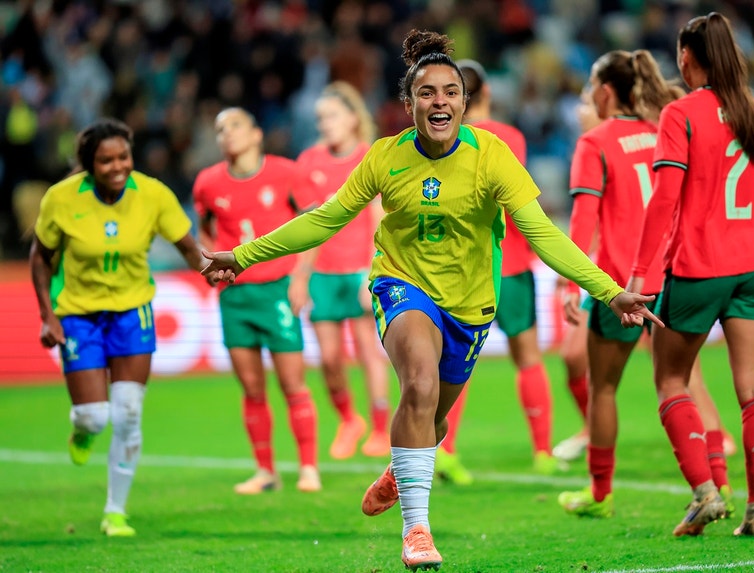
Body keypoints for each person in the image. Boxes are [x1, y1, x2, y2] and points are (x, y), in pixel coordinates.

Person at [201, 29, 661, 571]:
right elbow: (325, 218)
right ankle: (416, 531)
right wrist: (245, 255)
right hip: (401, 285)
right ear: (409, 103)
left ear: (464, 103)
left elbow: (541, 233)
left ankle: (401, 469)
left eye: (450, 92)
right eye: (427, 92)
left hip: (470, 304)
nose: (439, 101)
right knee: (418, 385)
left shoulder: (491, 155)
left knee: (432, 420)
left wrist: (608, 291)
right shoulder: (385, 156)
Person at [554, 49, 736, 520]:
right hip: (674, 276)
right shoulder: (664, 129)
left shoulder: (595, 142)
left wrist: (570, 286)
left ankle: (600, 494)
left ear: (605, 92)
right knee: (689, 383)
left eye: (590, 86)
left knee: (603, 388)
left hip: (620, 286)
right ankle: (719, 482)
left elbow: (583, 220)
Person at [629, 12, 754, 537]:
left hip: (699, 266)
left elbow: (664, 200)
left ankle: (705, 495)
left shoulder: (681, 113)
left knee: (671, 379)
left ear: (687, 57)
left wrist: (638, 274)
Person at [29, 118, 205, 537]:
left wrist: (210, 269)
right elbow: (40, 256)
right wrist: (47, 315)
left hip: (132, 312)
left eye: (123, 157)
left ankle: (115, 511)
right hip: (79, 315)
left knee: (127, 412)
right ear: (89, 164)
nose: (117, 166)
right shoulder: (62, 198)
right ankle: (82, 430)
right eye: (106, 160)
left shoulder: (152, 193)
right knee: (94, 417)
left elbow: (187, 246)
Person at [432, 58, 558, 484]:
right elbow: (513, 198)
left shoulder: (442, 140)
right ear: (485, 93)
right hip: (512, 262)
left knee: (455, 364)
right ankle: (543, 452)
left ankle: (446, 450)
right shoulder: (509, 137)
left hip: (461, 269)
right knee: (528, 357)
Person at [192, 107, 321, 494]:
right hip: (235, 295)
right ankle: (266, 472)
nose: (227, 134)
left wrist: (301, 277)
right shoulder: (207, 183)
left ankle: (308, 468)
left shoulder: (287, 173)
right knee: (251, 387)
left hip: (277, 288)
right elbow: (205, 229)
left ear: (255, 134)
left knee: (292, 383)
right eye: (220, 129)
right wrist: (209, 263)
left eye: (235, 126)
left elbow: (313, 225)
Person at [288, 82, 391, 460]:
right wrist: (300, 277)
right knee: (329, 358)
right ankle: (349, 420)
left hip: (359, 270)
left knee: (368, 350)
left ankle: (380, 428)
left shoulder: (370, 157)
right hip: (322, 273)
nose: (325, 123)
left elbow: (378, 218)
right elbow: (307, 224)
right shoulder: (309, 162)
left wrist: (373, 271)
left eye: (331, 115)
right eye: (320, 118)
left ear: (352, 117)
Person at [552, 86, 602, 463]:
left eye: (585, 103)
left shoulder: (602, 145)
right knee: (573, 355)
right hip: (604, 272)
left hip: (642, 271)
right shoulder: (589, 147)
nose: (579, 111)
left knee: (675, 369)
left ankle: (714, 434)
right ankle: (591, 429)